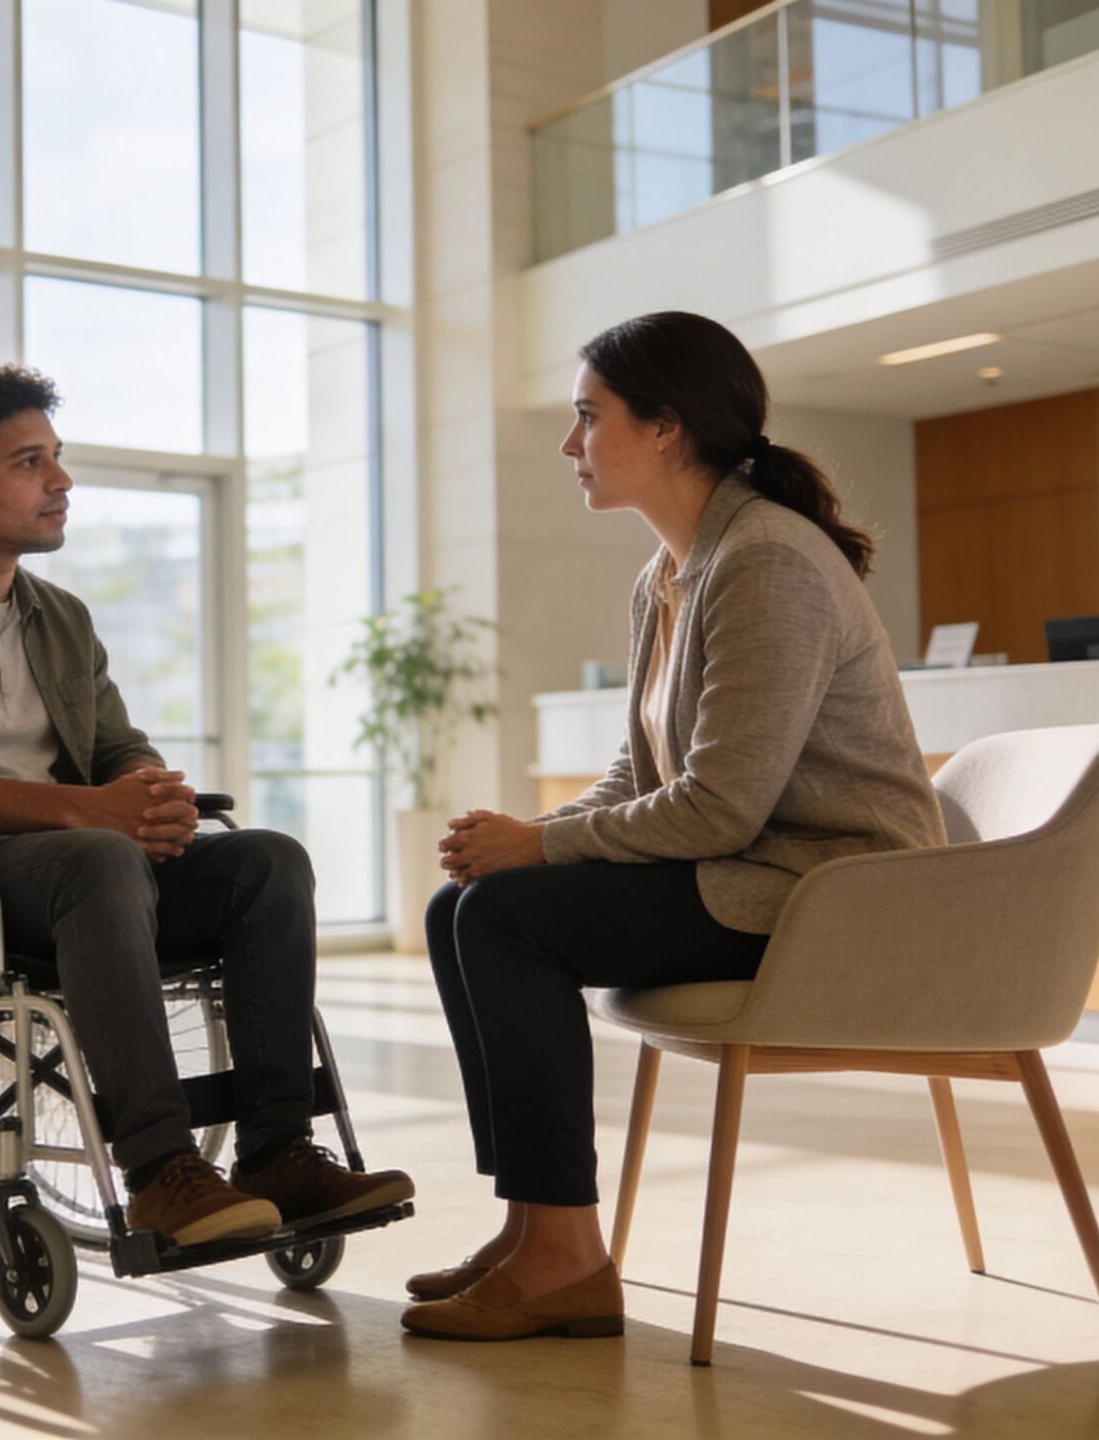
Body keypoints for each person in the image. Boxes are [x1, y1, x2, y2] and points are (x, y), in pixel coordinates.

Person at [402, 311, 946, 1341]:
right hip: (751, 866)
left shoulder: (766, 561)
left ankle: (565, 1259)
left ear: (665, 428)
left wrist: (540, 848)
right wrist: (525, 835)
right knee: (462, 905)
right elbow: (640, 769)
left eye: (585, 418)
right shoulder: (668, 572)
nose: (570, 447)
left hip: (828, 891)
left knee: (504, 919)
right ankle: (534, 1226)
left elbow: (722, 802)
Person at [0, 362, 414, 1248]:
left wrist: (151, 794)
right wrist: (87, 813)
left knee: (267, 859)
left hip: (89, 869)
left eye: (56, 457)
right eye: (28, 462)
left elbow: (115, 747)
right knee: (100, 854)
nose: (61, 482)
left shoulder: (62, 616)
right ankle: (161, 1169)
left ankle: (278, 1149)